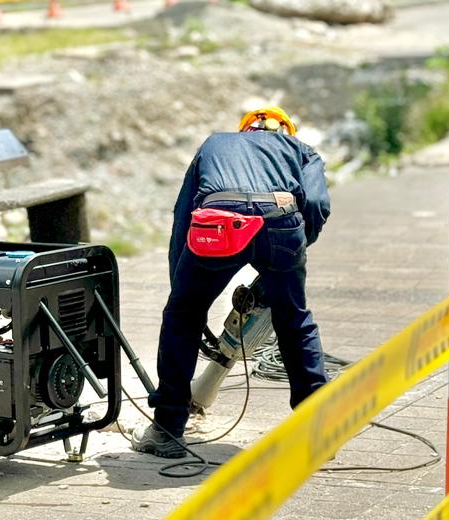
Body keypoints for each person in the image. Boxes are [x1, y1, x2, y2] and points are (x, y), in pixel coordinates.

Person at [132, 108, 331, 458]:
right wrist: (298, 247)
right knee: (294, 320)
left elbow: (183, 216)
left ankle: (167, 429)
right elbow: (315, 203)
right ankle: (317, 433)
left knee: (183, 317)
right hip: (281, 221)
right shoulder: (300, 150)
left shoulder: (215, 143)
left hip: (219, 220)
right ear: (285, 131)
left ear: (244, 130)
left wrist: (179, 287)